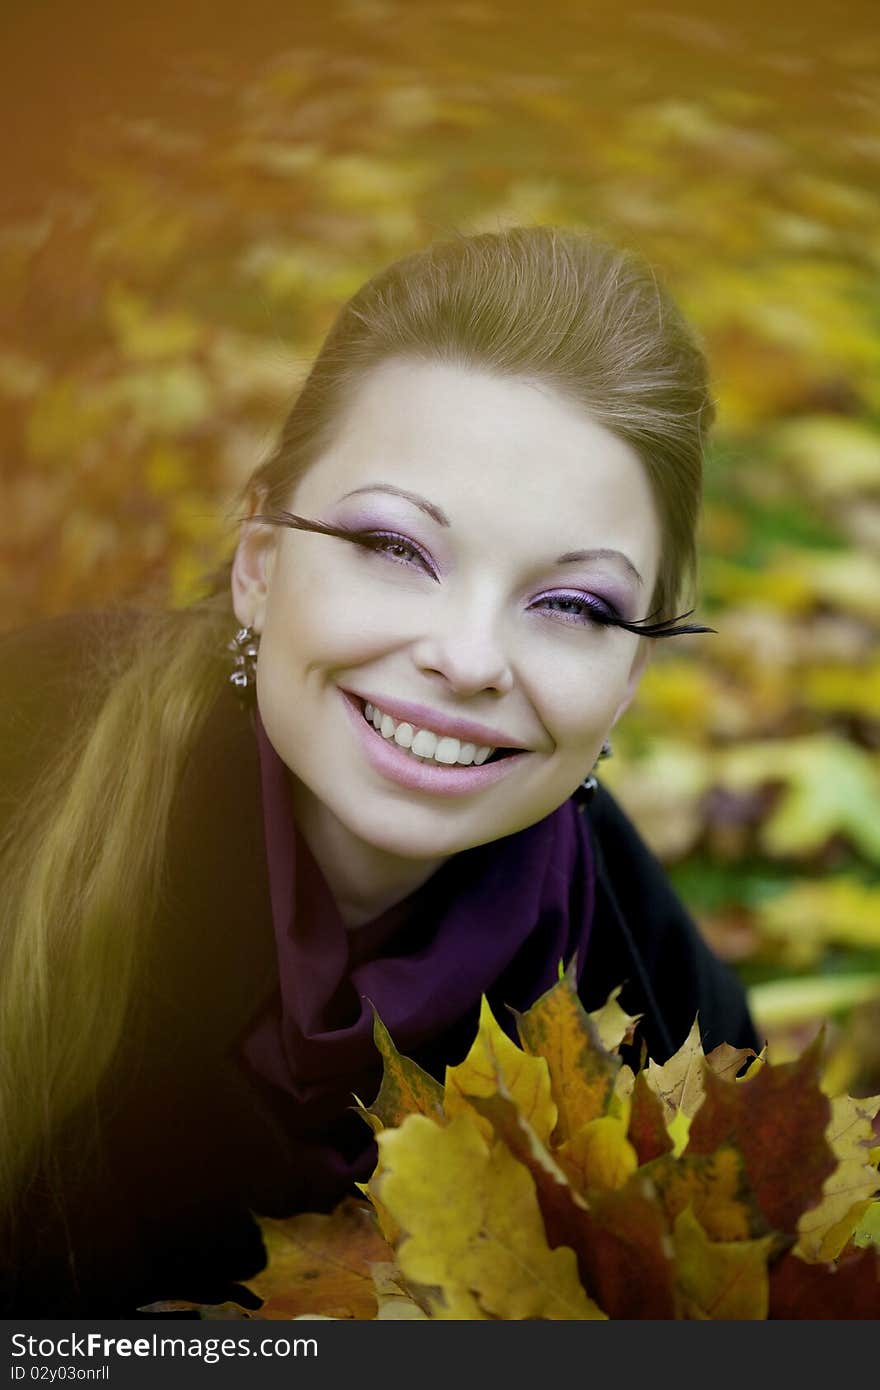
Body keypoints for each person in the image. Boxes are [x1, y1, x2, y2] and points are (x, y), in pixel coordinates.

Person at [0, 225, 760, 1318]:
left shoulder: (658, 1010)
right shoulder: (27, 764)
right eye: (397, 549)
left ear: (631, 673)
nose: (466, 659)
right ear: (260, 565)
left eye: (573, 604)